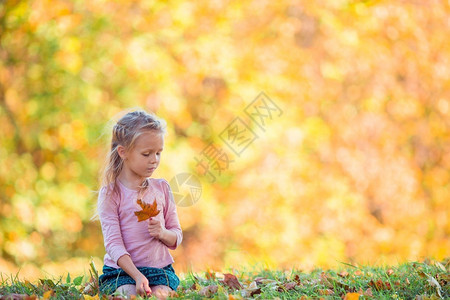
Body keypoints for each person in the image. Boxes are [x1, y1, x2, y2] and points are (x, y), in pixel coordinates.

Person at [97, 110, 182, 299]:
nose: (155, 160)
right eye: (147, 154)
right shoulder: (111, 194)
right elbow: (113, 244)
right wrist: (136, 275)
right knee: (128, 294)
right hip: (122, 272)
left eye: (159, 153)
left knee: (161, 294)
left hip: (160, 270)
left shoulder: (162, 188)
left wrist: (163, 233)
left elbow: (176, 235)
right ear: (123, 152)